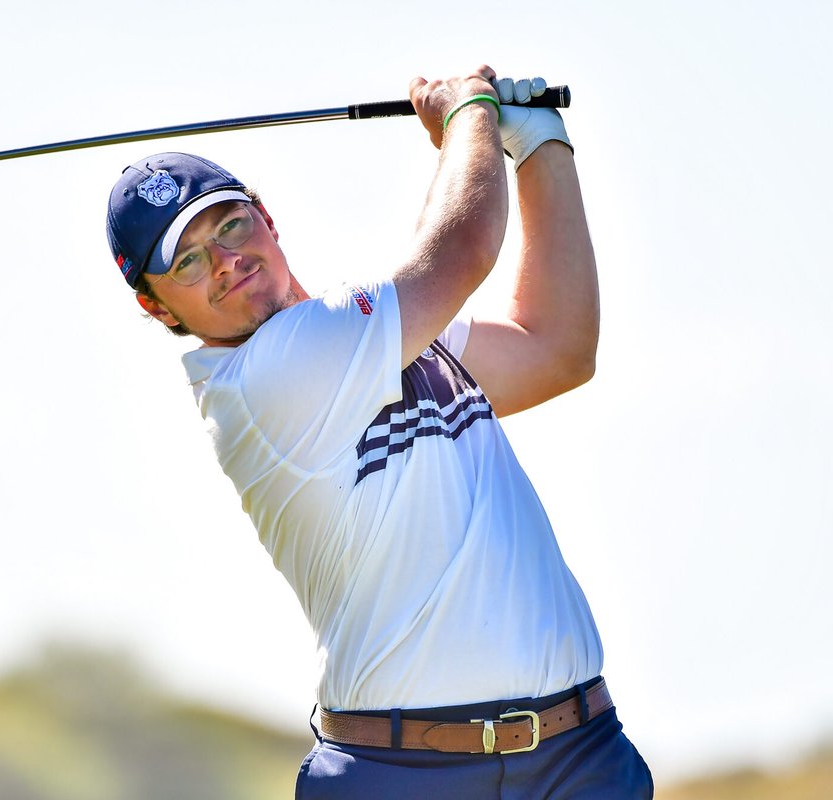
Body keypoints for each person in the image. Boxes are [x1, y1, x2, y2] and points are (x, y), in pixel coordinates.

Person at [104, 65, 653, 799]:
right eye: (189, 261)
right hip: (405, 777)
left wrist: (539, 146)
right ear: (159, 308)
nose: (226, 261)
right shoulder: (265, 376)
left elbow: (556, 347)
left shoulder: (375, 336)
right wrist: (470, 116)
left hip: (577, 758)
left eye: (230, 224)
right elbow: (457, 253)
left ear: (268, 219)